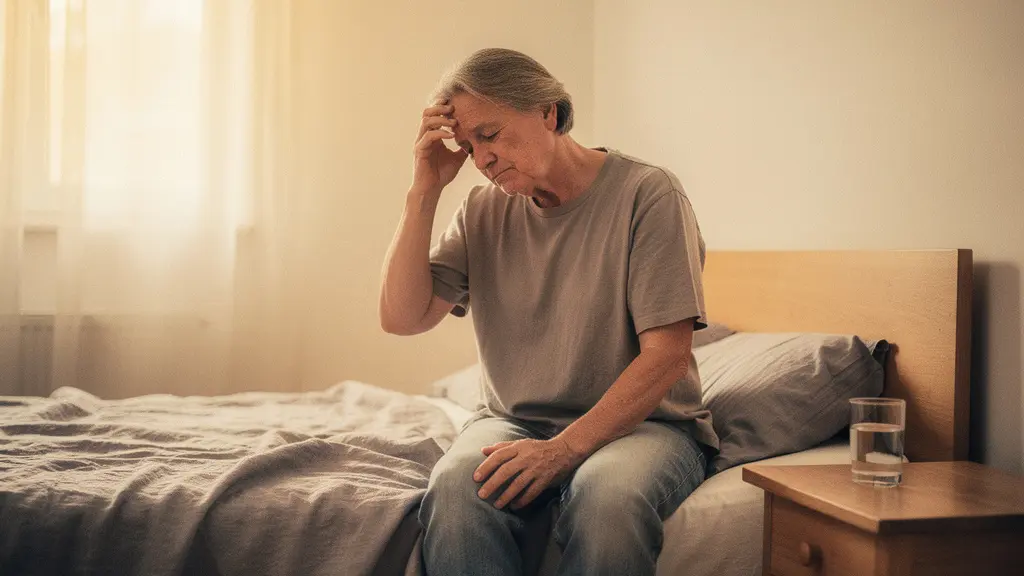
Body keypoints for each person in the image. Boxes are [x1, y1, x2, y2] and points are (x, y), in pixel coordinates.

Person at [378, 48, 719, 576]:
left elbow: (668, 356)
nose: (481, 158)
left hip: (643, 427)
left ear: (548, 112)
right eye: (469, 147)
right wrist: (423, 190)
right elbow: (403, 317)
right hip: (513, 422)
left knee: (606, 499)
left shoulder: (648, 195)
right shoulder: (481, 210)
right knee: (455, 488)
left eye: (488, 135)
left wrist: (563, 452)